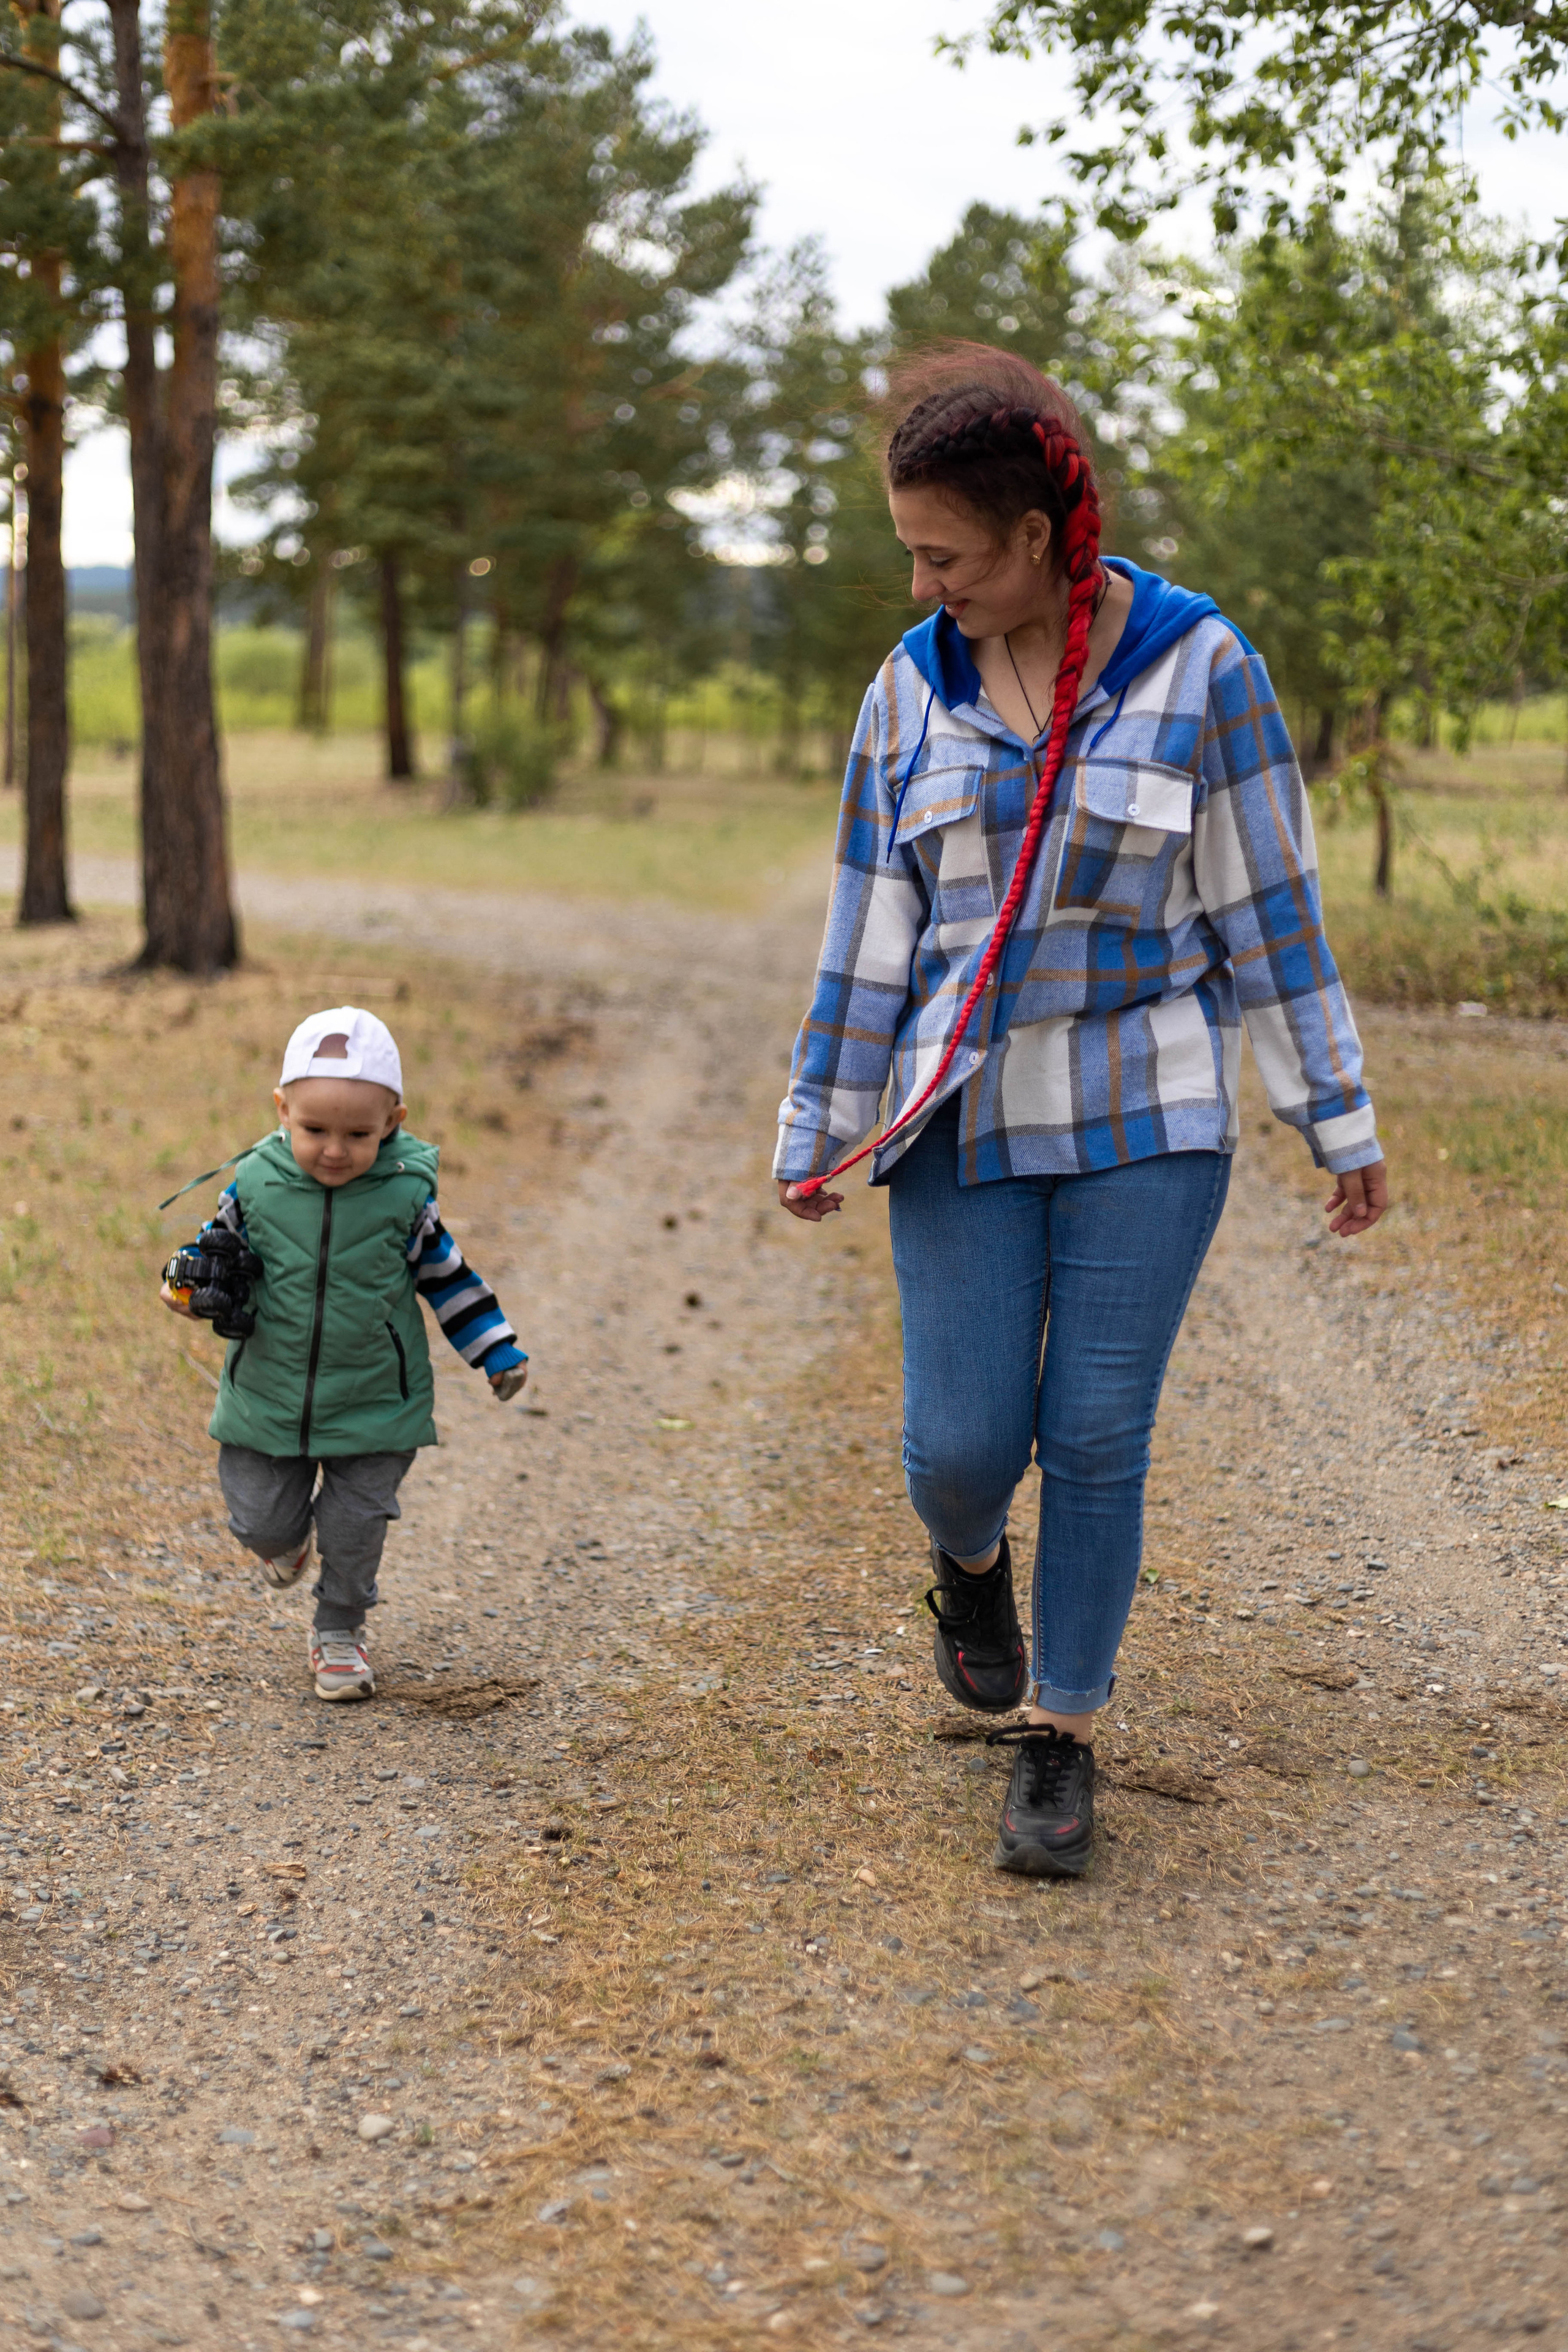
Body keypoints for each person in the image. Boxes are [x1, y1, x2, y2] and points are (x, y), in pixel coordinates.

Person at [774, 345, 1387, 1879]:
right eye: (908, 551)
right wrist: (818, 1123)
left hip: (1146, 1093)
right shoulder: (906, 692)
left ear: (1035, 536)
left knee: (1096, 1429)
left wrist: (1333, 1111)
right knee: (962, 1445)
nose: (922, 583)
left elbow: (1270, 910)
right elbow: (867, 929)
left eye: (943, 553)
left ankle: (1060, 1731)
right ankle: (967, 1561)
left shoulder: (1199, 669)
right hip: (964, 1109)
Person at [160, 1006, 529, 1701]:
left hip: (374, 1400)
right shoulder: (255, 1185)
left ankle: (339, 1631)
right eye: (314, 1130)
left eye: (357, 1133)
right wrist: (182, 1284)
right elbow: (210, 1254)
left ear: (393, 1121)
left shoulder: (404, 1198)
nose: (334, 1150)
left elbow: (448, 1279)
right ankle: (283, 1547)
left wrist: (496, 1350)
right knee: (258, 1518)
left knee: (354, 1526)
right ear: (281, 1110)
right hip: (268, 1392)